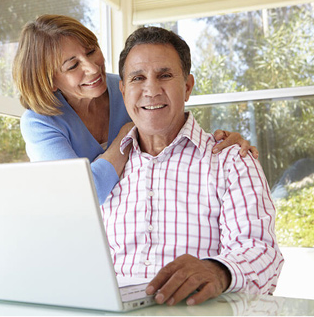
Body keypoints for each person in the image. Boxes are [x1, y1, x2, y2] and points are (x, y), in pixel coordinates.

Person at [101, 26, 284, 306]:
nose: (151, 90)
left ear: (187, 86)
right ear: (124, 90)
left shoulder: (232, 161)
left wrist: (219, 271)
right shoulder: (105, 171)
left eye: (165, 75)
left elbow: (261, 251)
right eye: (138, 78)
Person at [12, 14, 258, 205]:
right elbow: (83, 195)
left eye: (91, 51)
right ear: (50, 79)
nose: (93, 68)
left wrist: (223, 142)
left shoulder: (129, 85)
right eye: (73, 65)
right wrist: (126, 135)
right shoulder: (40, 122)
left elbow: (175, 132)